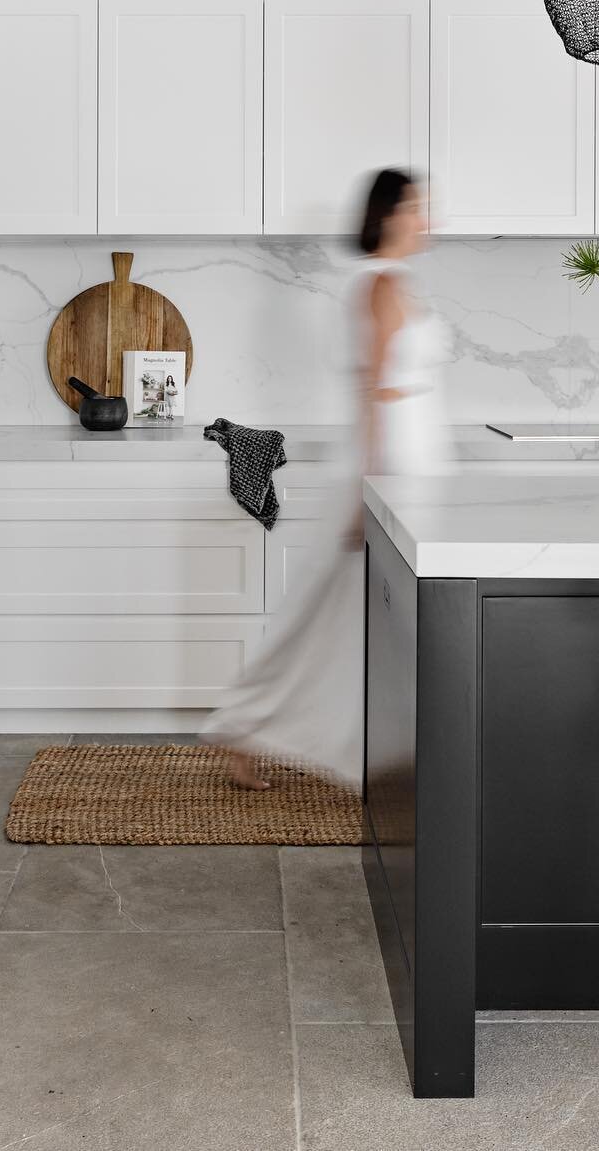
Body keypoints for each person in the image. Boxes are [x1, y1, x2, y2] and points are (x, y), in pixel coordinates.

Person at [202, 168, 450, 792]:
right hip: (389, 464)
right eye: (417, 207)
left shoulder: (392, 282)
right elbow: (373, 393)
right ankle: (245, 726)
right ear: (389, 214)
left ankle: (297, 736)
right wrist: (367, 490)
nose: (428, 219)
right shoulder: (381, 285)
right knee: (326, 613)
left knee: (356, 617)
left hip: (410, 460)